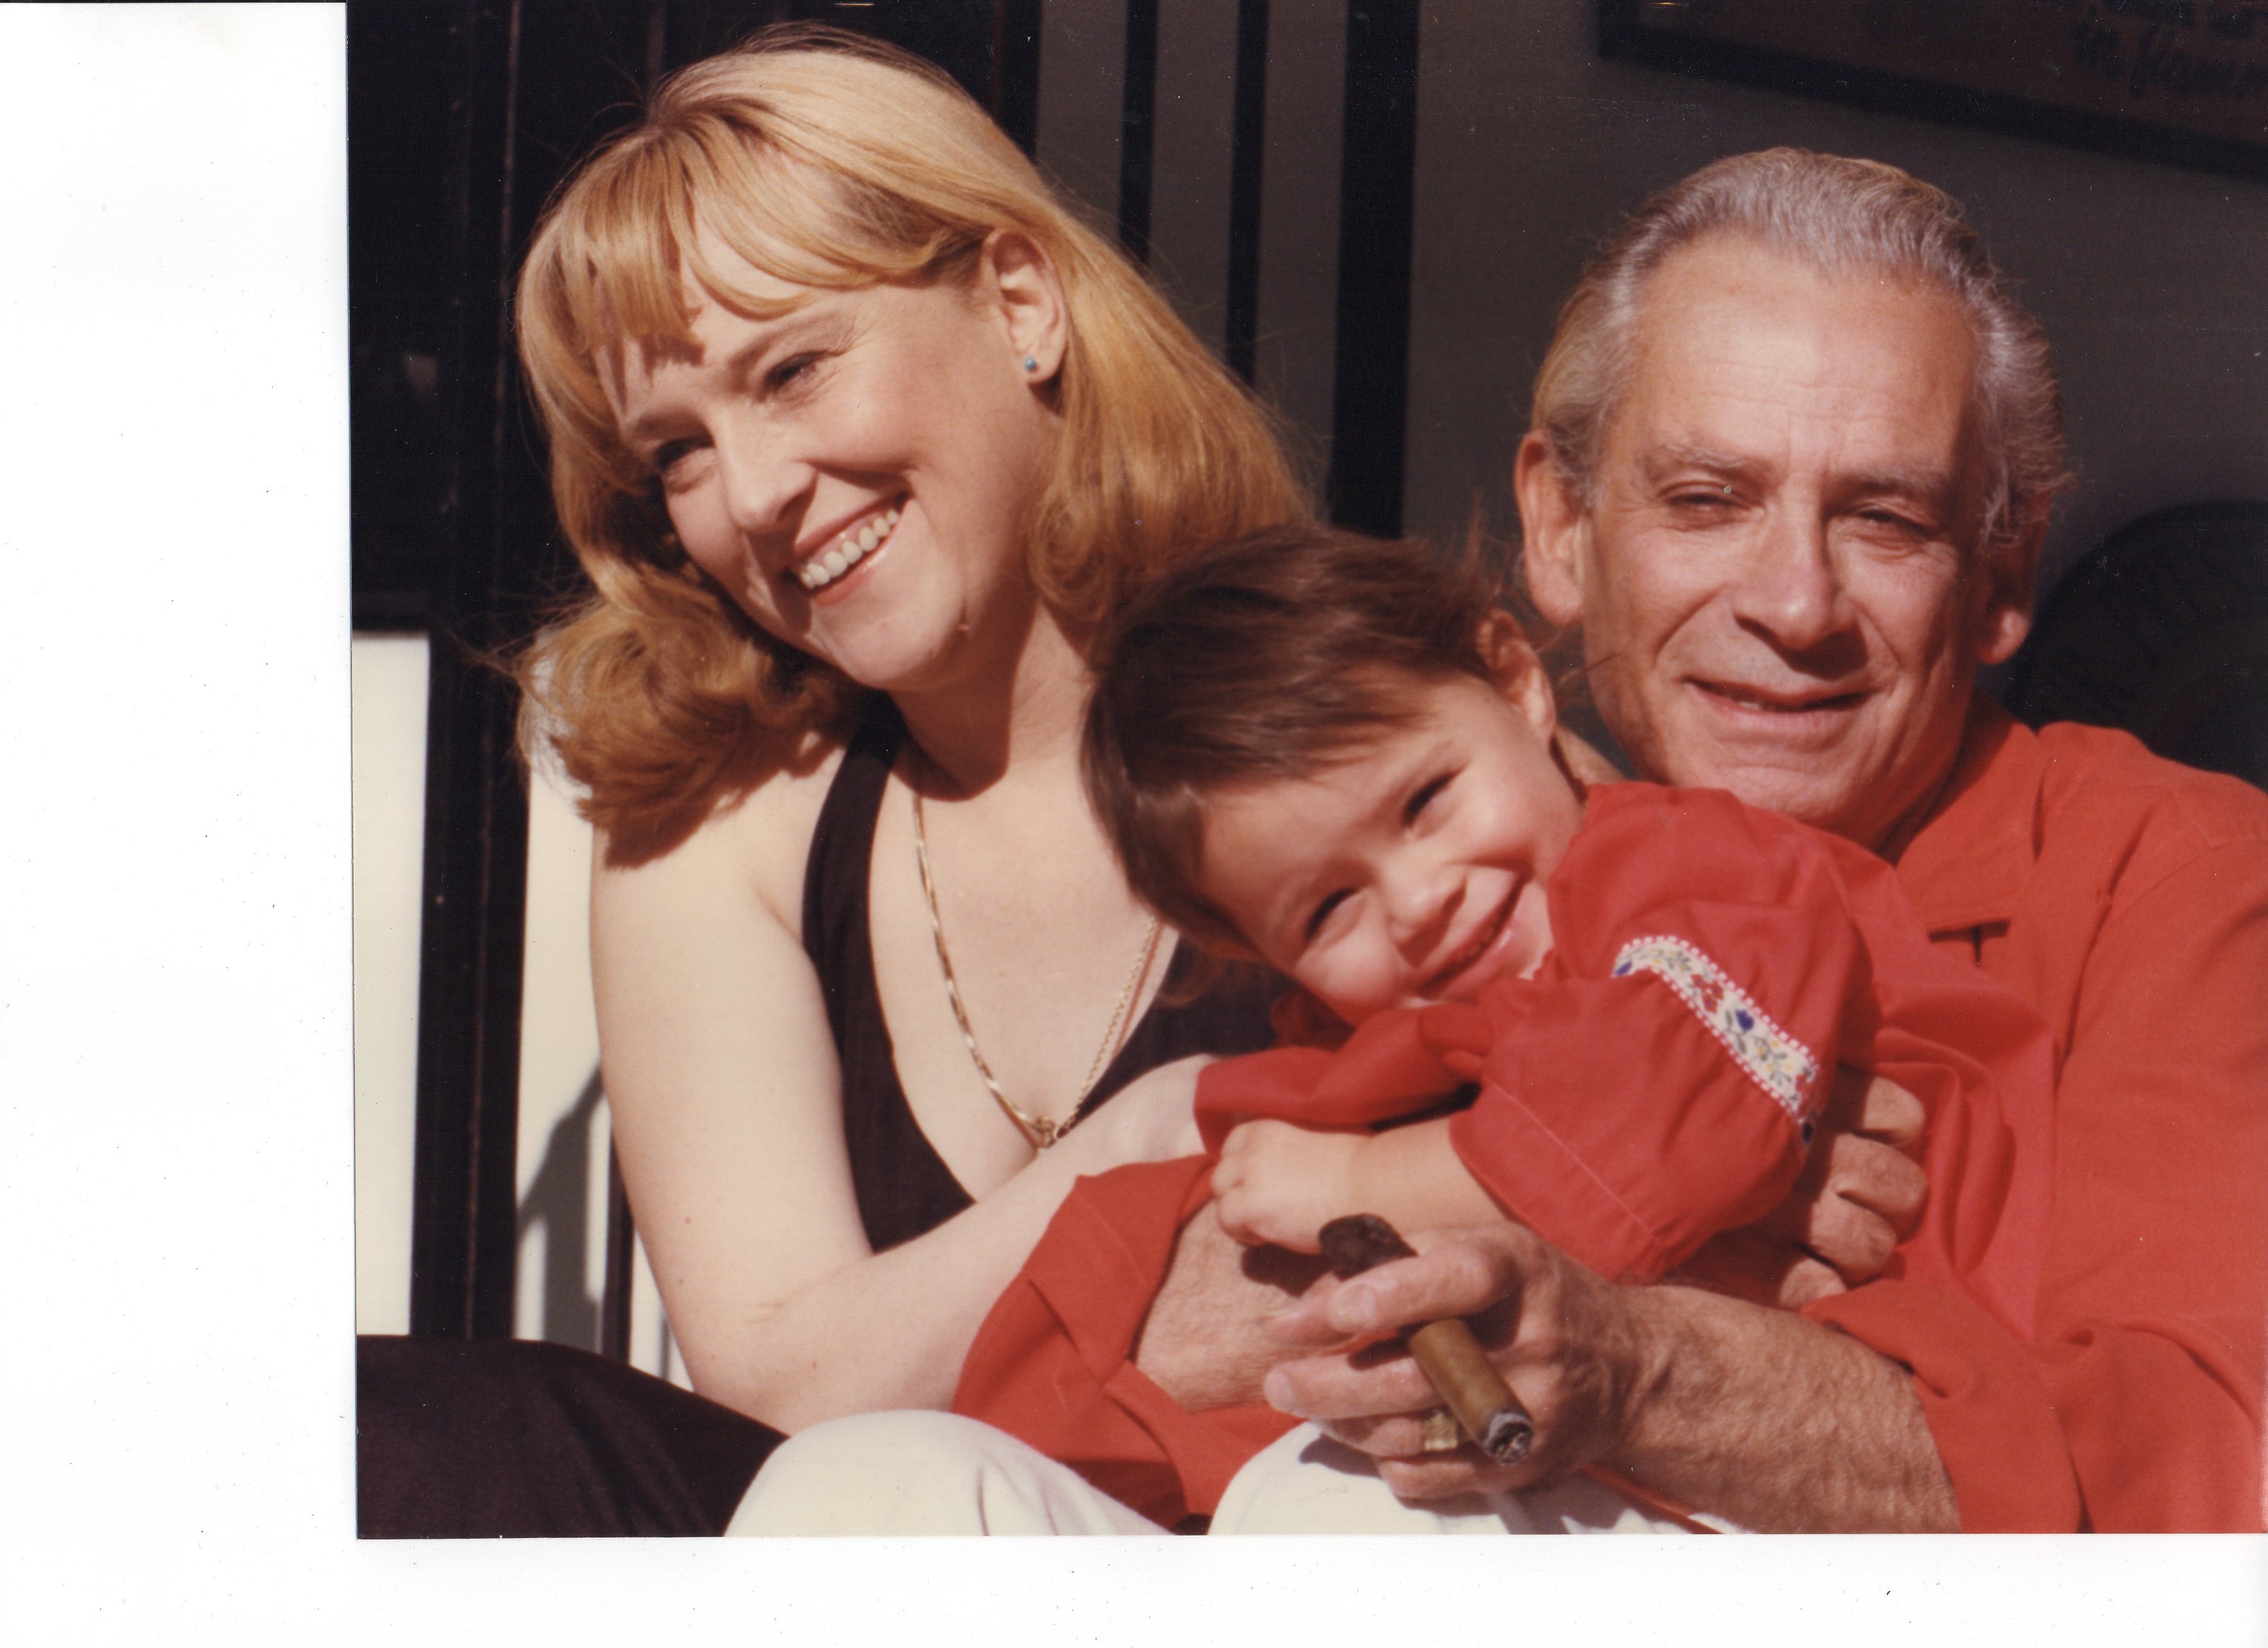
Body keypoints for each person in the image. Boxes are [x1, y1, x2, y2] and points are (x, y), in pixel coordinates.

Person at [357, 21, 1303, 1535]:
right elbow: (782, 1392)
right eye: (676, 451)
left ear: (1019, 301)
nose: (751, 500)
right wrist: (1157, 1133)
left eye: (792, 369)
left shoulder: (1370, 718)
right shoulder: (725, 816)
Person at [1249, 150, 2268, 1532]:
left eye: (1887, 518)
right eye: (1708, 499)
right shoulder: (1452, 877)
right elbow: (1147, 1313)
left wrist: (1646, 1359)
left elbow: (2208, 1479)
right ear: (1562, 527)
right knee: (896, 1484)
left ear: (2005, 575)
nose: (1796, 603)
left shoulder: (2181, 870)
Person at [733, 525, 2057, 1534]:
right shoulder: (1361, 1053)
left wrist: (1367, 1184)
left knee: (1328, 1519)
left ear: (1513, 685)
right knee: (851, 1499)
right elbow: (1126, 1272)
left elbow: (1675, 1117)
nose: (1421, 905)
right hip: (1543, 1493)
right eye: (1326, 906)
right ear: (1258, 952)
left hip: (1804, 1493)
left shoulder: (1689, 875)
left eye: (1425, 801)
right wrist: (1063, 1423)